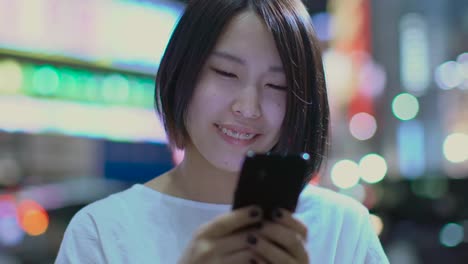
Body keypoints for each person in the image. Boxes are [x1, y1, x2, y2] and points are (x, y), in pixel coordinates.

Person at [56, 0, 389, 263]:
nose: (248, 107)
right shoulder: (101, 233)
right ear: (182, 72)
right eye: (226, 73)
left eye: (276, 85)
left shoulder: (343, 229)